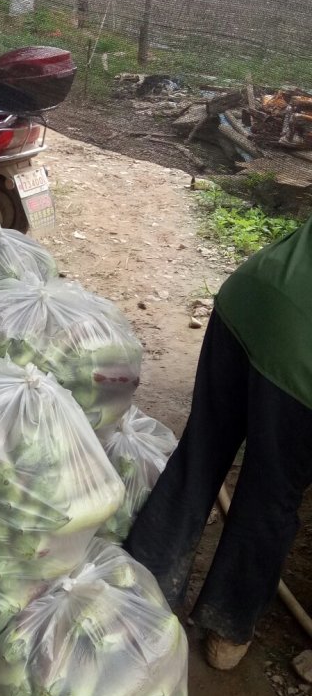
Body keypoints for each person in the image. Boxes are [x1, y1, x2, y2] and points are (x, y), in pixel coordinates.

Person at [125, 214, 312, 670]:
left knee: (203, 451)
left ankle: (140, 585)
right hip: (302, 358)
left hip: (249, 298)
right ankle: (227, 625)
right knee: (270, 497)